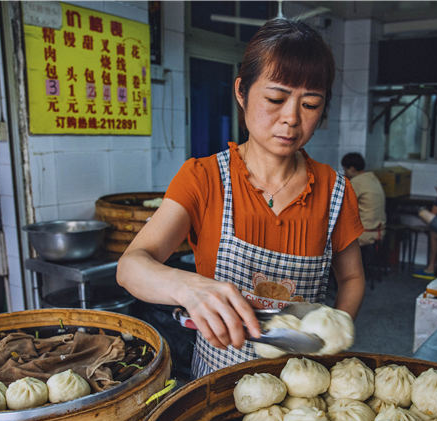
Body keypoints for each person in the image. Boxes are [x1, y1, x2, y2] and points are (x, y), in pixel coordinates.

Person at [117, 19, 365, 379]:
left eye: (310, 104)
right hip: (217, 380)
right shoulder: (203, 178)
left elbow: (353, 278)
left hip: (303, 379)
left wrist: (334, 333)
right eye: (276, 99)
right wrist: (188, 287)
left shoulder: (334, 190)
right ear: (242, 92)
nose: (291, 119)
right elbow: (131, 266)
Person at [341, 153, 386, 248]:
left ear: (352, 169)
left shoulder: (356, 182)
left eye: (345, 170)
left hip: (364, 236)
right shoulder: (372, 178)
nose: (345, 174)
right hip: (379, 232)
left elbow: (341, 205)